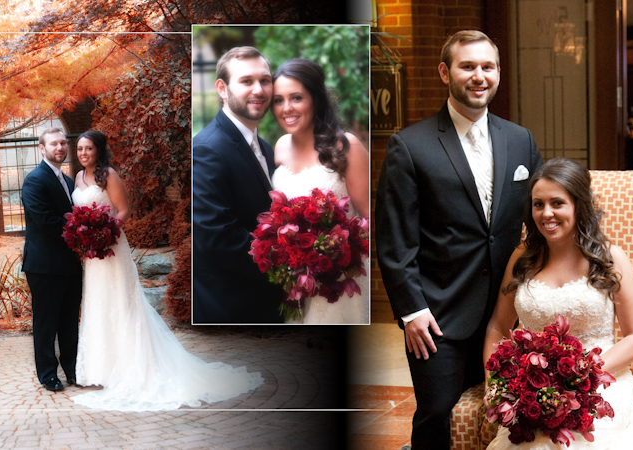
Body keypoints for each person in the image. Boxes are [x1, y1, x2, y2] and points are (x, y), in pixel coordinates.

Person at [375, 30, 544, 449]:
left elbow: (542, 216)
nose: (478, 76)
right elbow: (395, 240)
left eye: (487, 67)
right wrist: (412, 311)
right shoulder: (409, 146)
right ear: (444, 72)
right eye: (467, 66)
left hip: (510, 311)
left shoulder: (520, 139)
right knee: (438, 414)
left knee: (506, 413)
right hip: (439, 317)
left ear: (498, 73)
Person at [70, 130, 262, 411]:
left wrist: (104, 233)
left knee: (120, 304)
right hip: (91, 255)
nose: (83, 154)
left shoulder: (108, 175)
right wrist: (84, 237)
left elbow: (124, 210)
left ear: (98, 150)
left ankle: (128, 369)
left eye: (88, 149)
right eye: (80, 149)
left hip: (110, 247)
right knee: (98, 305)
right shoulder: (77, 178)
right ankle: (100, 371)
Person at [483, 158, 633, 448]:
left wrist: (584, 373)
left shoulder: (609, 258)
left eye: (557, 203)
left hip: (599, 384)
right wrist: (497, 384)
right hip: (534, 389)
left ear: (579, 205)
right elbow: (498, 327)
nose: (546, 213)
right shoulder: (522, 258)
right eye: (538, 204)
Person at [270, 58, 370, 324]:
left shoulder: (346, 145)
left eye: (296, 98)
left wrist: (338, 253)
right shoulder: (278, 147)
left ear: (315, 98)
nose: (286, 108)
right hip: (294, 282)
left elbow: (370, 218)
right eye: (278, 100)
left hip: (338, 280)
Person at [193, 46, 284, 324]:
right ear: (222, 88)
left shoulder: (266, 148)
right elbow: (217, 236)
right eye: (246, 81)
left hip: (267, 303)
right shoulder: (207, 148)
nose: (259, 89)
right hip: (233, 307)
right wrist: (288, 260)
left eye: (265, 80)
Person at [21, 128, 83, 392]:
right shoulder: (34, 181)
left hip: (70, 264)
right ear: (41, 148)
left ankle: (72, 370)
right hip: (44, 266)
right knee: (46, 324)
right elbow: (46, 220)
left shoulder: (68, 181)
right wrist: (81, 233)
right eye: (54, 144)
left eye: (62, 143)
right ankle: (48, 375)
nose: (60, 147)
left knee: (69, 322)